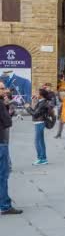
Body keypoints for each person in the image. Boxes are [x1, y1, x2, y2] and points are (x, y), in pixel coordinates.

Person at [0, 83, 21, 215]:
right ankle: (5, 205)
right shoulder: (1, 103)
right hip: (1, 142)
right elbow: (8, 122)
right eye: (1, 88)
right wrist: (7, 108)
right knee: (3, 174)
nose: (5, 90)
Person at [26, 89, 52, 164]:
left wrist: (27, 107)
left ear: (41, 95)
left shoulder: (42, 103)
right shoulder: (41, 102)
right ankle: (43, 158)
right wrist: (33, 101)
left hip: (40, 122)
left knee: (38, 142)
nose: (35, 94)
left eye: (37, 93)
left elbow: (34, 114)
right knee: (41, 141)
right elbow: (35, 110)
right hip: (39, 122)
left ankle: (41, 158)